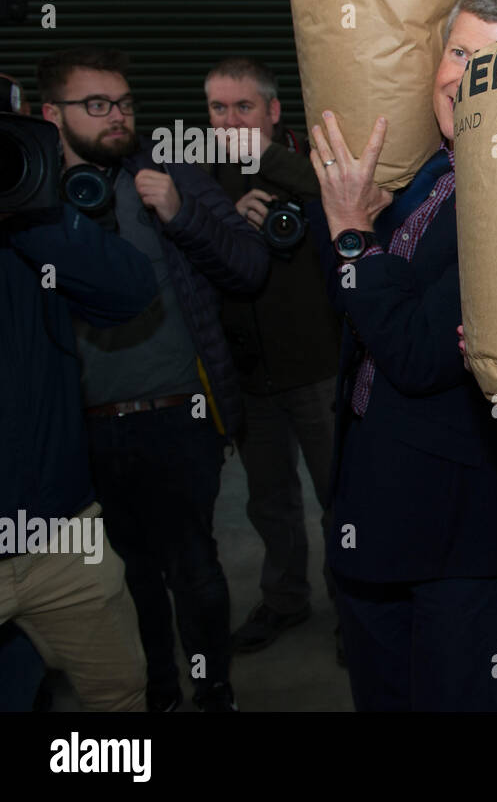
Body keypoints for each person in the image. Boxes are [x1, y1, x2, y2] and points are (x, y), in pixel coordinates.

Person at [309, 0, 497, 710]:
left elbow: (418, 354)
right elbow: (353, 308)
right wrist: (350, 231)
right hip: (369, 501)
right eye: (460, 51)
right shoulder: (423, 174)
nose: (469, 75)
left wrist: (354, 235)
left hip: (455, 527)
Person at [37, 46, 270, 711]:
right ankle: (158, 696)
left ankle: (213, 691)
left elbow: (248, 268)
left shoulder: (168, 172)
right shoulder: (32, 195)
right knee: (124, 579)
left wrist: (183, 215)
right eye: (97, 104)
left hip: (180, 414)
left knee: (194, 569)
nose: (118, 116)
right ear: (51, 115)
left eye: (125, 102)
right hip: (83, 429)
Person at [2, 148, 159, 710]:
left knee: (119, 696)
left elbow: (130, 291)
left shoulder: (24, 226)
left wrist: (28, 204)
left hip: (64, 534)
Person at [203, 57, 342, 658]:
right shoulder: (202, 177)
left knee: (340, 497)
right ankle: (284, 598)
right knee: (269, 500)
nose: (229, 121)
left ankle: (353, 605)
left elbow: (335, 191)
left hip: (316, 367)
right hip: (249, 374)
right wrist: (228, 229)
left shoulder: (309, 163)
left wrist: (257, 157)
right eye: (217, 108)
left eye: (243, 107)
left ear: (272, 111)